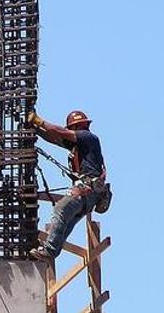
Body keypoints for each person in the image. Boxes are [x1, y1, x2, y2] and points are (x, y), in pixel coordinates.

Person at [27, 110, 109, 262]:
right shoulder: (80, 144)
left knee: (61, 210)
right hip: (90, 194)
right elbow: (55, 137)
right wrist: (37, 129)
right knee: (67, 220)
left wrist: (40, 121)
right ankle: (50, 252)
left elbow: (59, 131)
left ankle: (50, 250)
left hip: (86, 189)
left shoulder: (87, 137)